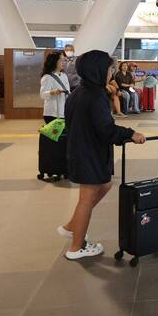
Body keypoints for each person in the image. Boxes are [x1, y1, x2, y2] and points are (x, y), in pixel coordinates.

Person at [60, 50, 145, 260]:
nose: (111, 72)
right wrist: (130, 134)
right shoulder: (95, 95)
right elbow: (106, 129)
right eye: (109, 68)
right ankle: (76, 248)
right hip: (89, 153)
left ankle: (72, 226)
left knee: (104, 185)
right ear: (97, 70)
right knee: (86, 200)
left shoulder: (79, 92)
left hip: (81, 150)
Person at [39, 52, 71, 124]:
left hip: (63, 112)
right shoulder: (48, 77)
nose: (63, 62)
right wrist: (52, 92)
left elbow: (68, 91)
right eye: (61, 60)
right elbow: (42, 95)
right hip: (52, 114)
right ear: (54, 61)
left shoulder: (64, 75)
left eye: (64, 60)